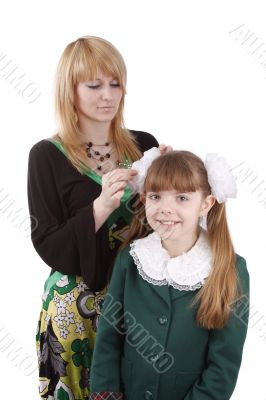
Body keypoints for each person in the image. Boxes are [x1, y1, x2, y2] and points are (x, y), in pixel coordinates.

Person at [27, 35, 170, 400]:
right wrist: (101, 206)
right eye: (94, 85)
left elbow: (169, 231)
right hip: (75, 310)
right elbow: (48, 244)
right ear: (69, 90)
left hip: (141, 302)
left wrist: (171, 180)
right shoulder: (46, 155)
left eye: (115, 83)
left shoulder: (143, 144)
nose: (108, 94)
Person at [89, 149, 250, 400]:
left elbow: (223, 367)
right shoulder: (130, 260)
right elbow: (108, 341)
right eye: (156, 196)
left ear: (205, 204)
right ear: (143, 200)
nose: (165, 209)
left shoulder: (229, 268)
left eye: (182, 198)